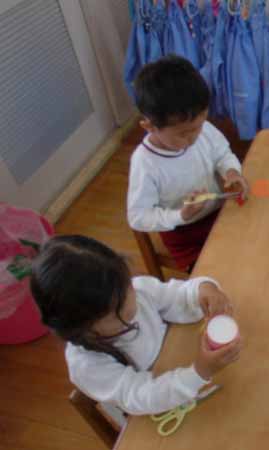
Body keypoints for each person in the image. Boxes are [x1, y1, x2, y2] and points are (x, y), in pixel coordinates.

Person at [30, 235, 242, 415]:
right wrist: (199, 372)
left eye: (127, 288)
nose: (132, 301)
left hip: (182, 370)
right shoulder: (87, 365)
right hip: (157, 411)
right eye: (117, 308)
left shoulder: (138, 290)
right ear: (81, 327)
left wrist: (204, 290)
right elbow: (142, 397)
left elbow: (178, 295)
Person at [127, 55, 249, 271]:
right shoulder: (145, 163)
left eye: (199, 126)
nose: (194, 137)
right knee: (225, 274)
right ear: (149, 127)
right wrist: (180, 215)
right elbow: (138, 217)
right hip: (184, 236)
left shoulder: (201, 130)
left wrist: (231, 172)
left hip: (220, 215)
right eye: (183, 134)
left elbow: (223, 154)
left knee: (257, 250)